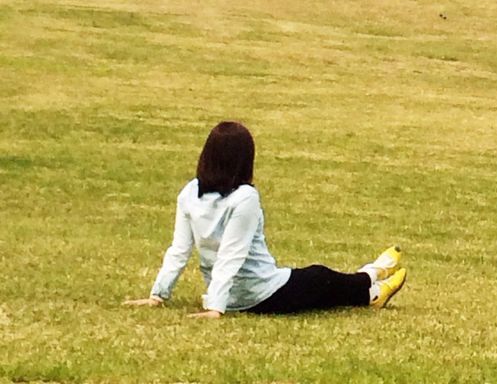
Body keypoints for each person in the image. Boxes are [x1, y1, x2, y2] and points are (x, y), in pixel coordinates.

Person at [123, 120, 406, 317]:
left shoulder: (190, 191)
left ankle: (371, 277)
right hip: (262, 293)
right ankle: (371, 286)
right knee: (320, 278)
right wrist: (215, 308)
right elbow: (231, 255)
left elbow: (178, 251)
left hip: (230, 296)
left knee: (319, 283)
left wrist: (158, 294)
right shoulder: (244, 197)